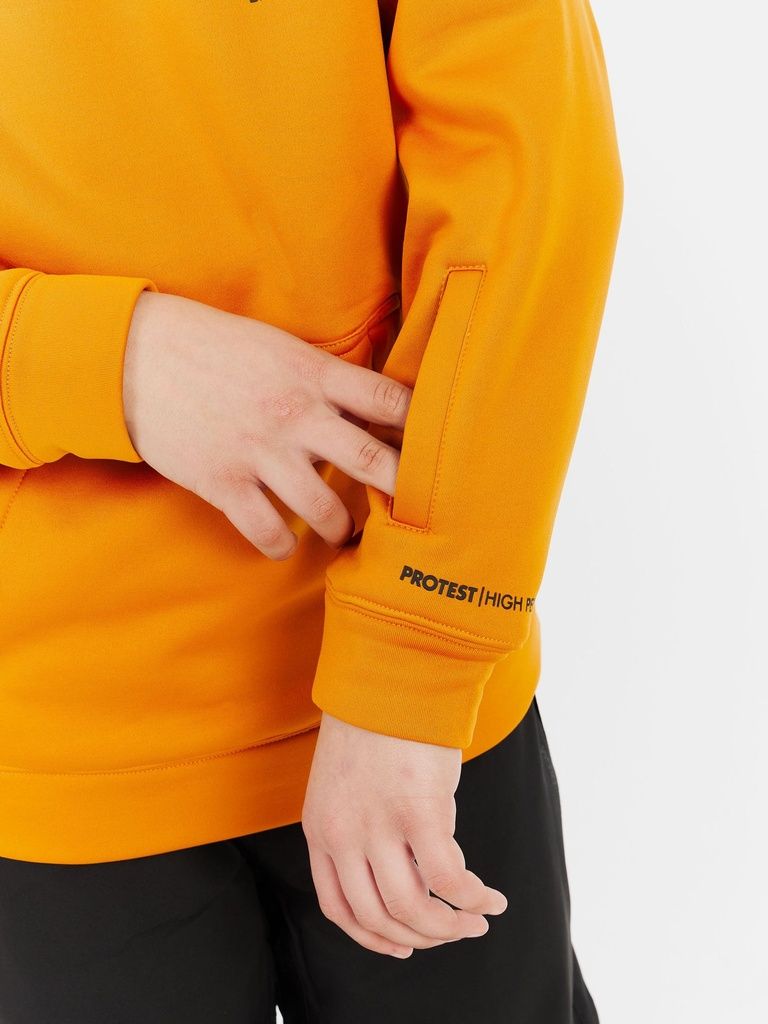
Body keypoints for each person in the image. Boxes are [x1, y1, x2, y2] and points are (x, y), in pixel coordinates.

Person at [0, 1, 622, 1021]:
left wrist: (412, 662)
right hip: (53, 751)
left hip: (411, 692)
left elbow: (528, 193)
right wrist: (108, 360)